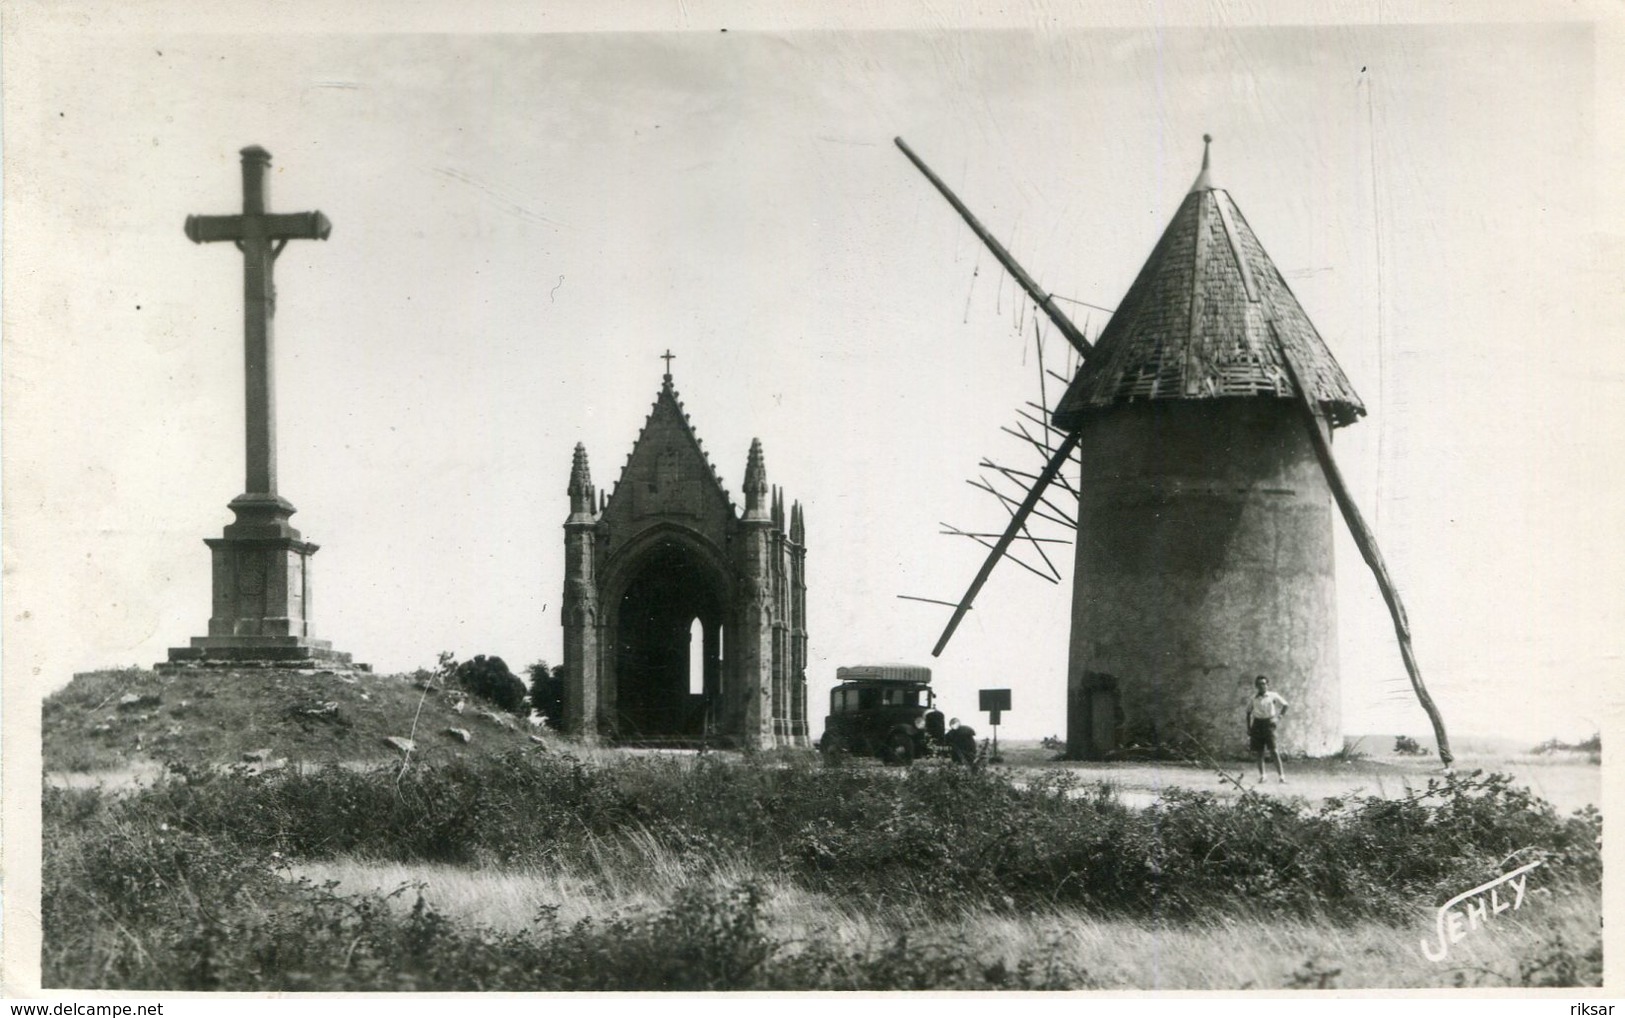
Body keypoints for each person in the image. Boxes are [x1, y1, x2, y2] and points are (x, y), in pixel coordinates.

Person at [1246, 675, 1290, 783]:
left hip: (1269, 724)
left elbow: (1285, 705)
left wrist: (1278, 718)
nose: (1262, 686)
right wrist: (1249, 727)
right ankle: (1263, 776)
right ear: (1256, 686)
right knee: (1259, 752)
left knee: (1274, 750)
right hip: (1257, 724)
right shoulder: (1253, 698)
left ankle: (1281, 776)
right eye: (1259, 684)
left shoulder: (1273, 696)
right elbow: (1248, 713)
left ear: (1267, 685)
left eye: (1264, 683)